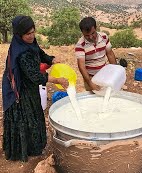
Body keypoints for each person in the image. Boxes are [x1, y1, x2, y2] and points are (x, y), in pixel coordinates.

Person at [2, 16, 69, 162]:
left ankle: (35, 146)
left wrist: (50, 59)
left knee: (34, 113)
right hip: (20, 89)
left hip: (29, 86)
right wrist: (57, 80)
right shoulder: (21, 53)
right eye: (28, 34)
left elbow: (39, 52)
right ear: (19, 35)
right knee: (25, 117)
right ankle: (23, 151)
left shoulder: (30, 42)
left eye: (33, 32)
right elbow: (36, 76)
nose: (32, 36)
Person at [75, 17, 117, 91]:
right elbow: (81, 66)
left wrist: (115, 71)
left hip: (105, 75)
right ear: (82, 33)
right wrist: (90, 83)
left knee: (107, 96)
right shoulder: (80, 45)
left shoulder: (104, 37)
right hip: (91, 78)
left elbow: (110, 54)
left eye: (93, 33)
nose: (91, 37)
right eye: (87, 35)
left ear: (96, 28)